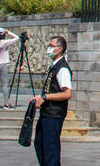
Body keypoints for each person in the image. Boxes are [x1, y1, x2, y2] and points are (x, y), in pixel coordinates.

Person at [30, 36, 72, 166]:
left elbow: (67, 93)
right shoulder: (54, 67)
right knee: (40, 144)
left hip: (54, 114)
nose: (48, 48)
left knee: (50, 149)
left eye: (51, 46)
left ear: (59, 49)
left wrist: (46, 97)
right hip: (47, 112)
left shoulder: (62, 69)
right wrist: (40, 97)